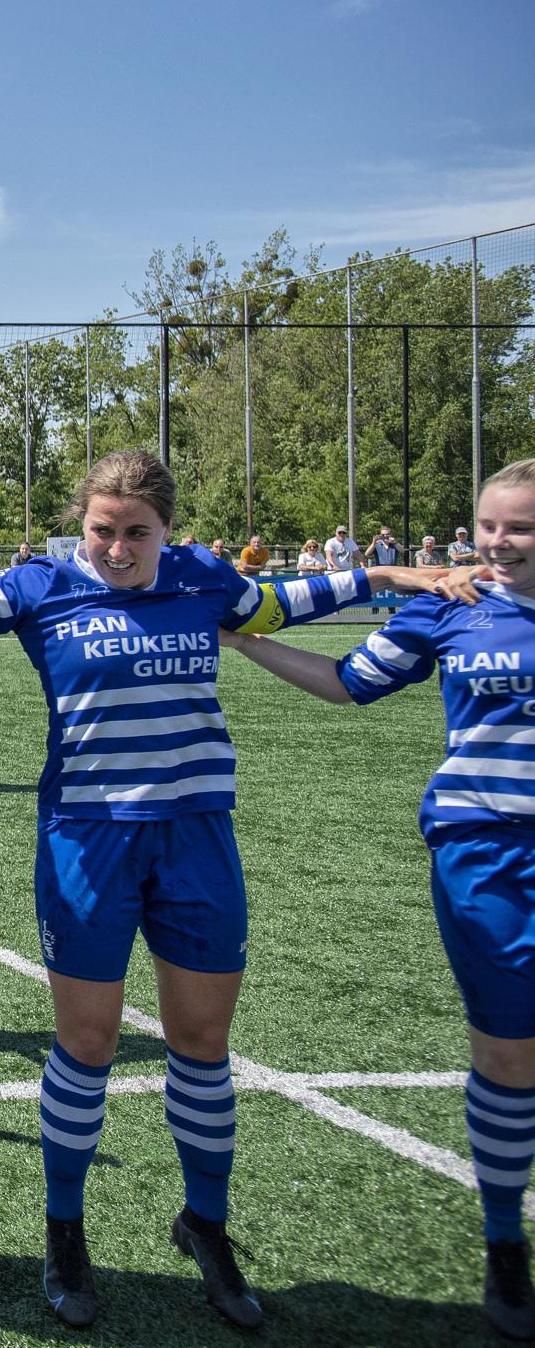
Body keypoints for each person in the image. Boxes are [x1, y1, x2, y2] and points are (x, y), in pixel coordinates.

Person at [0, 449, 446, 1330]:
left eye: (135, 533)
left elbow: (294, 601)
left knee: (199, 1039)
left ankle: (205, 1226)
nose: (115, 548)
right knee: (88, 1041)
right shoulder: (41, 586)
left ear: (166, 531)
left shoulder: (201, 579)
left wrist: (377, 571)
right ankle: (64, 1232)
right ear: (81, 524)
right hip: (87, 841)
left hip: (196, 836)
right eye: (101, 529)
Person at [221, 460, 535, 1341]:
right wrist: (247, 643)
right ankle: (503, 1241)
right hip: (488, 852)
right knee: (509, 1055)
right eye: (489, 526)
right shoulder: (449, 604)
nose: (499, 543)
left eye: (520, 528)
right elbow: (350, 681)